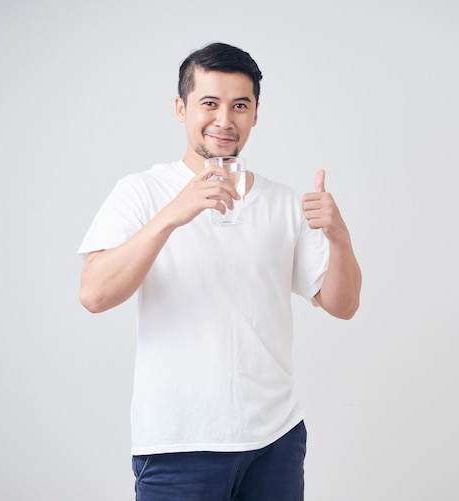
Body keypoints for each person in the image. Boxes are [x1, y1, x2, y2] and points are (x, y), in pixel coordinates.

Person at [78, 42, 362, 501]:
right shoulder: (141, 192)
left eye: (239, 105)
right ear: (181, 108)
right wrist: (174, 212)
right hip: (178, 445)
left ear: (255, 114)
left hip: (276, 440)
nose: (224, 120)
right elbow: (94, 294)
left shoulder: (283, 202)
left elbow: (343, 305)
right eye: (209, 103)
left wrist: (340, 240)